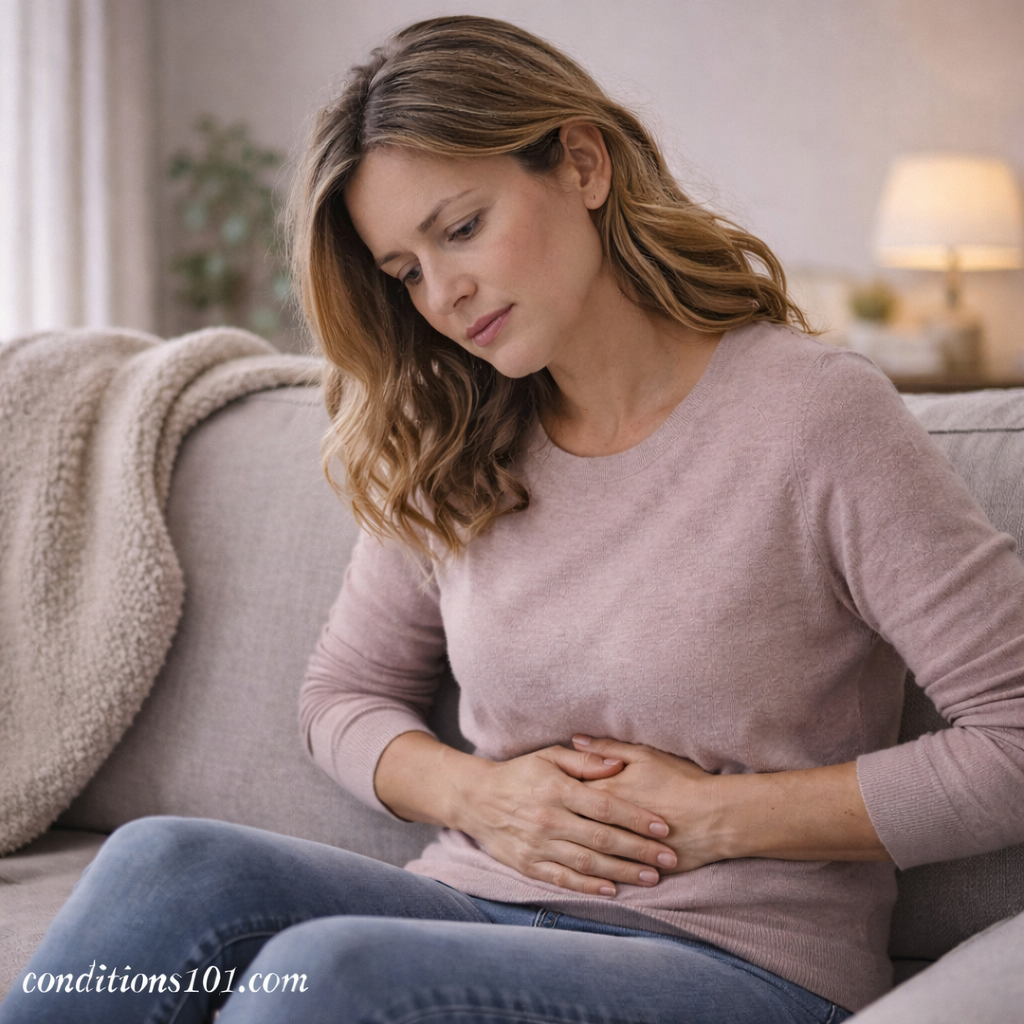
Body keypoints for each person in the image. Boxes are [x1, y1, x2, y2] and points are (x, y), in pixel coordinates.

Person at [3, 15, 1023, 1024]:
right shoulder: (456, 433)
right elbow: (340, 698)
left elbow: (1013, 738)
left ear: (581, 163)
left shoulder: (813, 417)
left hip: (739, 962)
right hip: (478, 901)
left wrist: (715, 818)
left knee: (326, 972)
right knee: (166, 859)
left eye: (460, 229)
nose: (442, 295)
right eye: (403, 271)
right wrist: (475, 796)